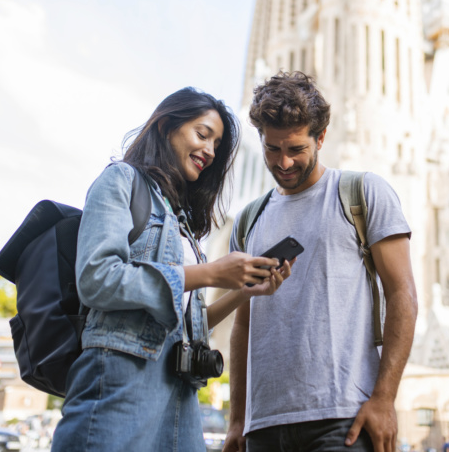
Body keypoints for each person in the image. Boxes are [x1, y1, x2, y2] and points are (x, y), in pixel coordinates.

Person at [51, 87, 294, 452]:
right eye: (203, 135)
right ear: (166, 126)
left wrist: (244, 290)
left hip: (180, 390)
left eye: (216, 145)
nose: (210, 152)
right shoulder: (120, 181)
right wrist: (210, 273)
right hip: (120, 380)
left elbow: (190, 322)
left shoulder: (180, 219)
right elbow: (97, 279)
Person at [223, 72, 418, 452]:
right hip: (263, 427)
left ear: (321, 138)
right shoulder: (249, 220)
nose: (283, 161)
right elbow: (242, 324)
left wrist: (384, 398)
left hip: (342, 419)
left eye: (296, 148)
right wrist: (237, 421)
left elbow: (403, 294)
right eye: (272, 149)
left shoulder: (362, 193)